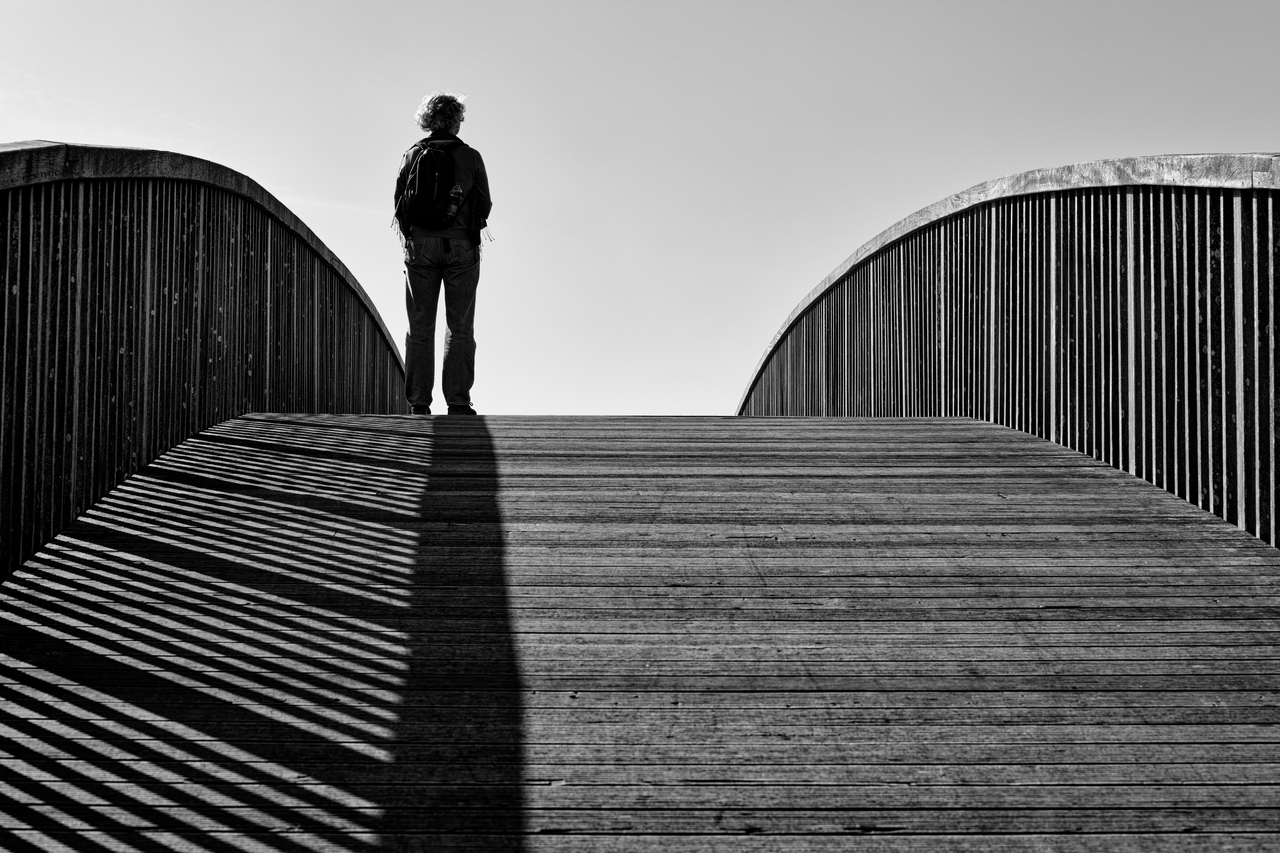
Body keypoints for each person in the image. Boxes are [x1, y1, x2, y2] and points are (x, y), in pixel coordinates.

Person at [394, 92, 492, 416]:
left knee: (420, 327)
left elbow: (399, 204)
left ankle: (419, 404)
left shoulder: (412, 154)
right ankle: (458, 402)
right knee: (460, 327)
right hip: (461, 246)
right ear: (455, 120)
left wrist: (415, 237)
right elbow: (485, 204)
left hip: (421, 246)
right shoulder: (471, 157)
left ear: (428, 120)